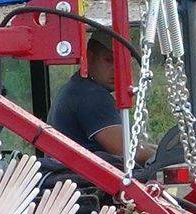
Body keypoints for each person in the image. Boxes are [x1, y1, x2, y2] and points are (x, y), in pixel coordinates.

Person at [46, 35, 152, 170]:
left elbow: (135, 146)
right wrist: (163, 159)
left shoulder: (75, 88)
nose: (116, 68)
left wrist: (157, 150)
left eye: (122, 61)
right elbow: (128, 151)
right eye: (109, 60)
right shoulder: (91, 95)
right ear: (89, 58)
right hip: (87, 183)